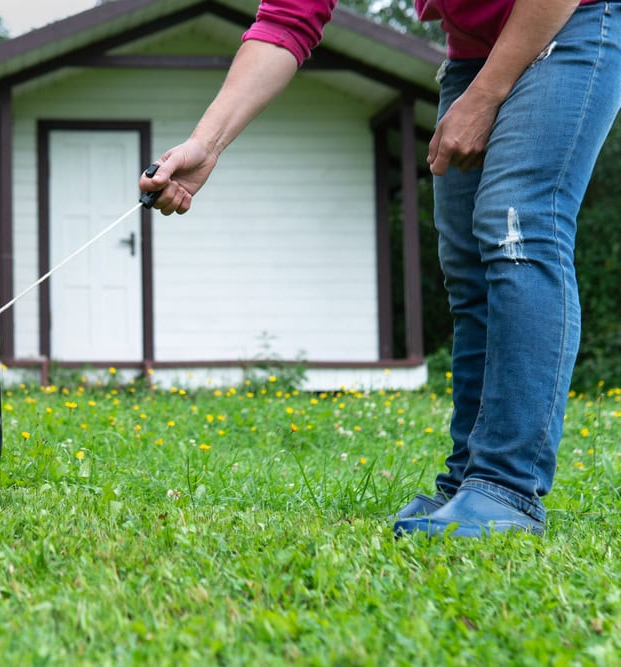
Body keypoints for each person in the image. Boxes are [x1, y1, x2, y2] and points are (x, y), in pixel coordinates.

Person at [139, 0, 620, 537]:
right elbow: (285, 21)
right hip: (474, 50)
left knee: (517, 225)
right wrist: (207, 144)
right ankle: (467, 482)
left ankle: (507, 489)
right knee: (468, 263)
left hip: (567, 18)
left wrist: (485, 96)